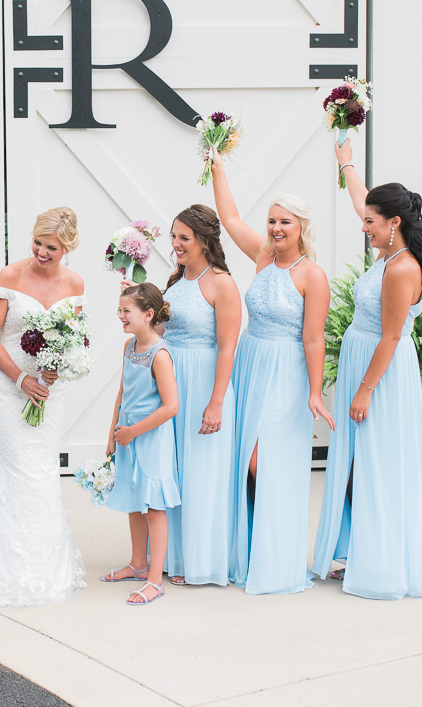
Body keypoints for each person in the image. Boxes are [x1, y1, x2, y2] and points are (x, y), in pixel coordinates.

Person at [311, 139, 422, 599]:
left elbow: (391, 336)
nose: (363, 227)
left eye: (370, 222)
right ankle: (356, 548)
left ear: (394, 223)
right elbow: (362, 201)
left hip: (379, 374)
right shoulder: (387, 253)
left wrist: (363, 390)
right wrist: (346, 163)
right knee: (357, 464)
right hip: (363, 365)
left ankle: (379, 564)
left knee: (377, 464)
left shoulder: (402, 269)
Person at [209, 148, 334, 595]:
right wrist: (218, 168)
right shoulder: (263, 256)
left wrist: (316, 392)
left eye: (286, 222)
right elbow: (229, 217)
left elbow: (314, 338)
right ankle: (249, 551)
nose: (277, 229)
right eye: (273, 221)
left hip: (286, 372)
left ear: (302, 228)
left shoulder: (312, 276)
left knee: (270, 463)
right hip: (250, 362)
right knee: (245, 459)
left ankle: (277, 558)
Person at [0, 206, 87, 607]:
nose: (41, 251)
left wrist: (56, 369)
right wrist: (22, 380)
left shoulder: (75, 283)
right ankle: (5, 573)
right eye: (38, 242)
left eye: (51, 247)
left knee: (42, 472)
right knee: (16, 469)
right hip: (8, 389)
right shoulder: (9, 276)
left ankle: (45, 570)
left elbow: (72, 338)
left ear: (67, 247)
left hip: (49, 394)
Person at [160, 205, 241, 587]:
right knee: (173, 467)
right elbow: (161, 332)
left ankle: (201, 559)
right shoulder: (175, 281)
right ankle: (172, 553)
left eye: (184, 238)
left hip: (203, 382)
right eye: (173, 236)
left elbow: (227, 347)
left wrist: (216, 402)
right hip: (172, 380)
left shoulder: (221, 283)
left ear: (204, 240)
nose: (175, 244)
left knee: (201, 470)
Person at [101, 284, 180, 605]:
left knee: (154, 506)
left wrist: (133, 431)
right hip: (127, 434)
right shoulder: (129, 346)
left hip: (150, 437)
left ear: (148, 315)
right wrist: (113, 434)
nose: (121, 316)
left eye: (126, 311)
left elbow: (171, 406)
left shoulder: (159, 355)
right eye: (119, 311)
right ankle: (137, 563)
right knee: (135, 499)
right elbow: (122, 392)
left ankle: (155, 579)